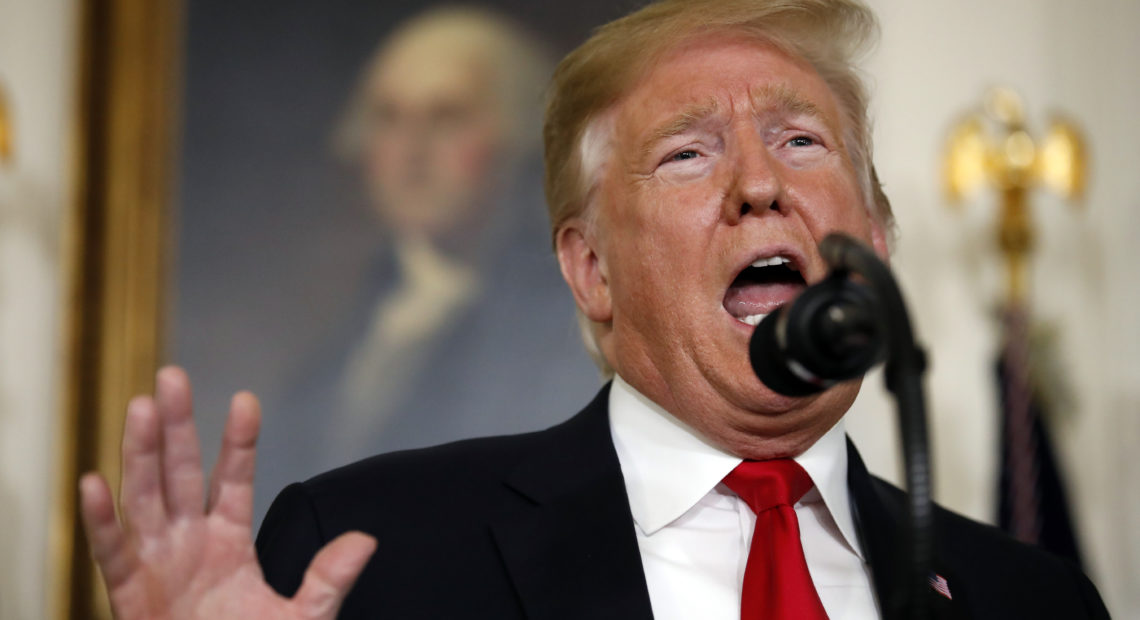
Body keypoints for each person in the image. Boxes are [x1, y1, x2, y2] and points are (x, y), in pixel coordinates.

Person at [79, 1, 1111, 619]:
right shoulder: (373, 555)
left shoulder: (1030, 601)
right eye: (689, 153)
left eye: (803, 141)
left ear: (874, 243)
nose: (761, 184)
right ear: (590, 270)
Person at [256, 5, 597, 526]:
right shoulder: (349, 337)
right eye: (389, 118)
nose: (412, 150)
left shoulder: (564, 326)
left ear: (513, 138)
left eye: (446, 118)